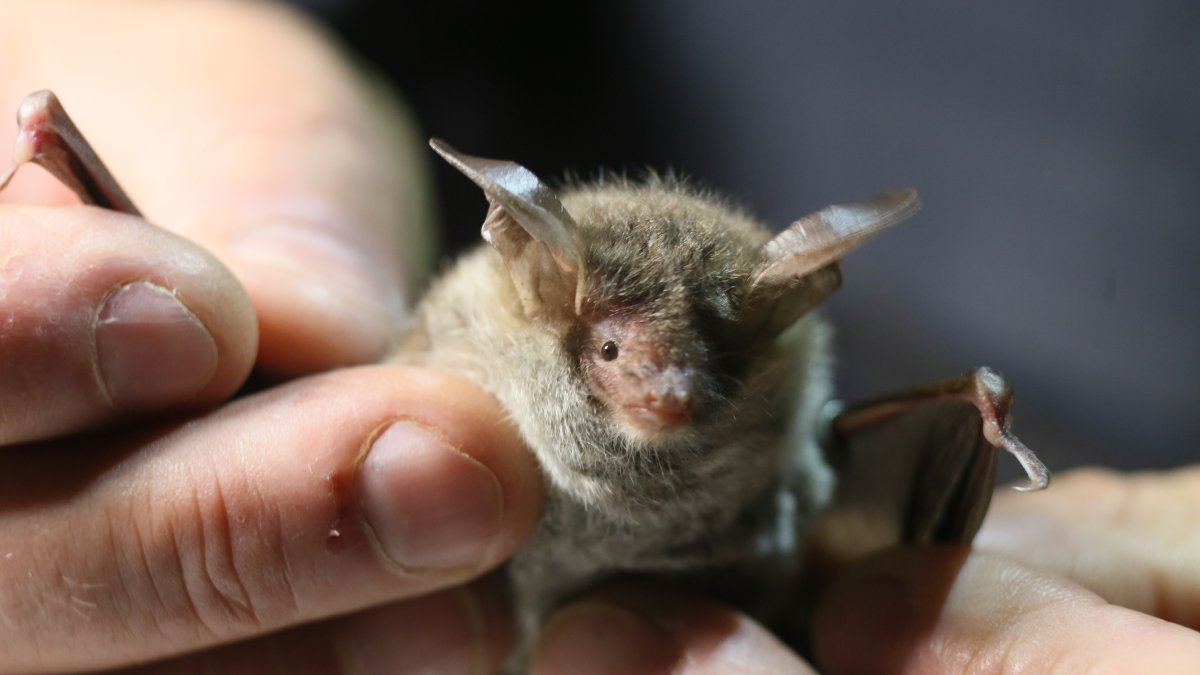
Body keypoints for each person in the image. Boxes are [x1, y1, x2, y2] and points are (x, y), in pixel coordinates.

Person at [0, 2, 1195, 673]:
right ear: (553, 304)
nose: (670, 382)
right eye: (625, 350)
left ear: (783, 314)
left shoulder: (783, 391)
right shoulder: (476, 344)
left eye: (707, 354)